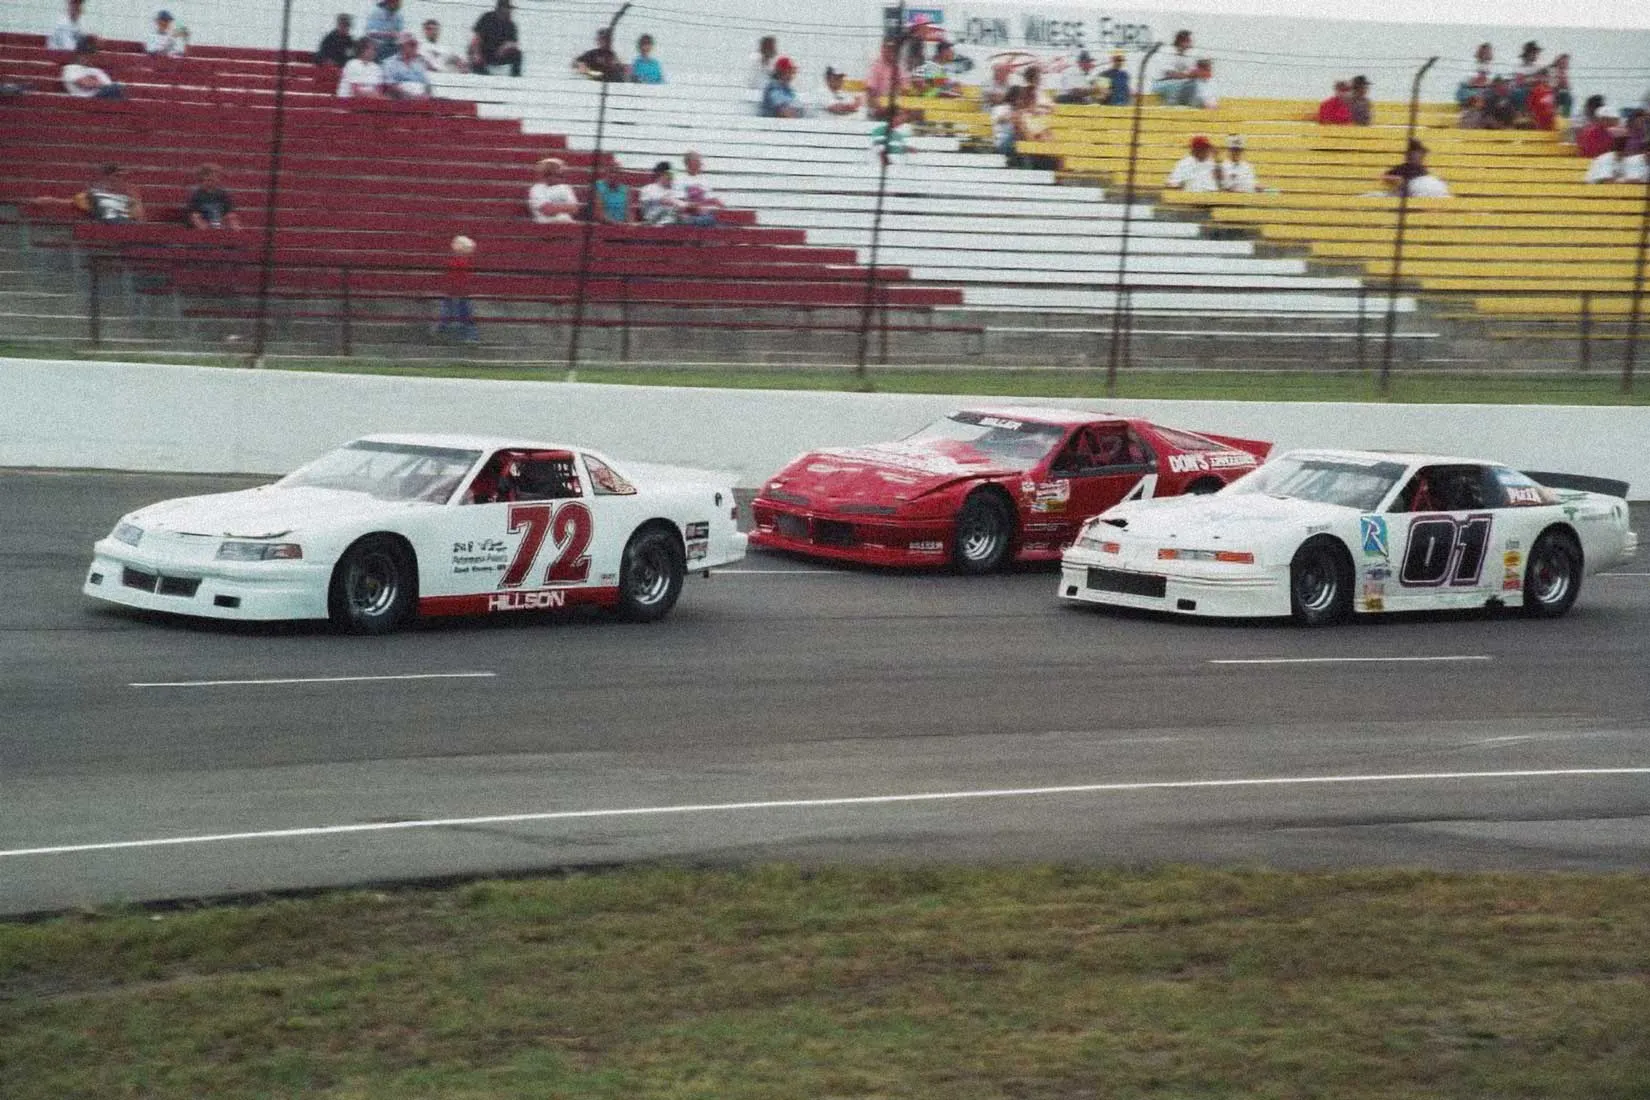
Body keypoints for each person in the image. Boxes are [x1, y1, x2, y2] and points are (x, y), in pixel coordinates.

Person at [34, 164, 145, 223]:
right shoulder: (95, 195)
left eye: (122, 176)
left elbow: (139, 219)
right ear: (106, 177)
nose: (121, 179)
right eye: (117, 176)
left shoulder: (129, 195)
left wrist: (136, 198)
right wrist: (46, 201)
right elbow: (68, 203)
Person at [437, 235, 478, 342]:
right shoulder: (459, 261)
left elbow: (457, 276)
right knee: (456, 311)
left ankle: (469, 335)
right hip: (456, 290)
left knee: (460, 311)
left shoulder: (460, 261)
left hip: (458, 290)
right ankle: (443, 329)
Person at [470, 0, 522, 77]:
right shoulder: (487, 18)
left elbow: (512, 44)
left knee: (517, 54)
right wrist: (477, 54)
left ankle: (515, 78)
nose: (509, 11)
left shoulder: (510, 25)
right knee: (476, 63)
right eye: (507, 9)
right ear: (500, 8)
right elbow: (476, 38)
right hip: (481, 51)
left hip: (496, 53)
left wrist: (504, 49)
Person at [1383, 139, 1450, 198]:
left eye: (1421, 154)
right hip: (1408, 195)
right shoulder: (1403, 168)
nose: (1421, 156)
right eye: (1417, 153)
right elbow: (1386, 177)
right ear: (1410, 154)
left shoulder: (1423, 169)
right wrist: (1400, 180)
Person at [674, 151, 723, 226]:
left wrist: (709, 205)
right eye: (698, 162)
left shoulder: (705, 180)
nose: (700, 165)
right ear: (689, 164)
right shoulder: (679, 180)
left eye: (700, 162)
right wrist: (697, 207)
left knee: (710, 219)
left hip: (702, 214)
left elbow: (712, 202)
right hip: (687, 212)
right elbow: (679, 202)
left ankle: (692, 221)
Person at [186, 165, 241, 230]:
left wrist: (230, 221)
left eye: (214, 179)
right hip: (204, 222)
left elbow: (229, 212)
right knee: (195, 217)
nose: (211, 182)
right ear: (202, 180)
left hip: (220, 221)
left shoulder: (223, 194)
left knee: (232, 218)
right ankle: (206, 234)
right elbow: (193, 213)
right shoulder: (196, 195)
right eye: (209, 180)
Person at [528, 158, 579, 223]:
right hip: (545, 225)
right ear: (547, 175)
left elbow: (574, 209)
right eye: (558, 175)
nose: (561, 178)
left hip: (566, 224)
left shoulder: (566, 188)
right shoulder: (536, 189)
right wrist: (565, 207)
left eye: (562, 175)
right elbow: (547, 210)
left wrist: (555, 207)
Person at [1152, 29, 1196, 105]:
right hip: (1161, 83)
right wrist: (1186, 76)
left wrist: (1190, 76)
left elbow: (1192, 73)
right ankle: (1170, 107)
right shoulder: (1169, 52)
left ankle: (1186, 106)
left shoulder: (1185, 56)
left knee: (1193, 85)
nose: (1191, 43)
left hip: (1175, 82)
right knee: (1176, 83)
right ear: (1182, 42)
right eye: (1189, 41)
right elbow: (1170, 74)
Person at [382, 33, 431, 97]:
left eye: (416, 45)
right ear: (402, 46)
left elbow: (427, 84)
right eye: (412, 45)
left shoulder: (420, 63)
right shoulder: (389, 63)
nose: (415, 48)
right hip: (398, 98)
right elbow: (389, 85)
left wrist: (426, 95)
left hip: (420, 97)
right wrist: (409, 95)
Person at [593, 158, 631, 223]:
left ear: (621, 175)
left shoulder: (625, 189)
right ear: (606, 172)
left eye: (616, 172)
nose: (613, 175)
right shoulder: (598, 186)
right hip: (603, 226)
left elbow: (628, 213)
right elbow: (598, 213)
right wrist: (613, 223)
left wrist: (630, 224)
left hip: (621, 226)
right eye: (611, 171)